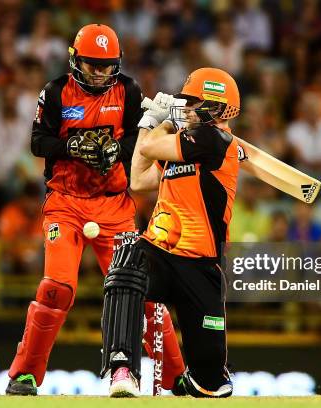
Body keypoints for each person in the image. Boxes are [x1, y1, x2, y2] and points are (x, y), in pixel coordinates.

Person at [6, 24, 184, 395]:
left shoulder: (129, 90)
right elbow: (39, 142)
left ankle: (176, 375)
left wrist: (113, 152)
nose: (101, 74)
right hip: (65, 204)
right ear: (75, 60)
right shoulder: (55, 92)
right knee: (58, 288)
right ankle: (24, 375)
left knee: (143, 292)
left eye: (107, 67)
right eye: (92, 66)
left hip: (115, 205)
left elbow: (138, 141)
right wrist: (73, 148)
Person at [101, 67, 241, 398]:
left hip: (201, 264)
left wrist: (157, 121)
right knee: (127, 263)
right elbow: (137, 179)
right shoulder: (183, 145)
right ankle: (123, 368)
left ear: (215, 107)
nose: (186, 107)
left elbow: (149, 149)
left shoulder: (214, 140)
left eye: (193, 102)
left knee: (210, 384)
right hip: (161, 253)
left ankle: (202, 375)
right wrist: (153, 123)